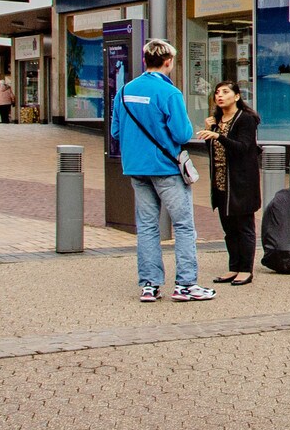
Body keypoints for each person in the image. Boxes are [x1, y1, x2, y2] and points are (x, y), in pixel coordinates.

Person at [109, 39, 213, 303]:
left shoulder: (124, 92)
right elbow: (182, 133)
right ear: (169, 62)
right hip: (166, 168)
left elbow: (116, 131)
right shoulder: (170, 94)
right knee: (184, 226)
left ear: (145, 60)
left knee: (146, 226)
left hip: (136, 168)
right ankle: (186, 284)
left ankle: (149, 285)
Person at [196, 81, 260, 287]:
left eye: (225, 92)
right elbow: (215, 152)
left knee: (244, 227)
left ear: (237, 96)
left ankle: (245, 270)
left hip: (241, 183)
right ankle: (233, 267)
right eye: (217, 93)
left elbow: (242, 147)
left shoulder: (246, 119)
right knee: (229, 228)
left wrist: (218, 135)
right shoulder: (216, 120)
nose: (220, 96)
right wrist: (210, 134)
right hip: (221, 182)